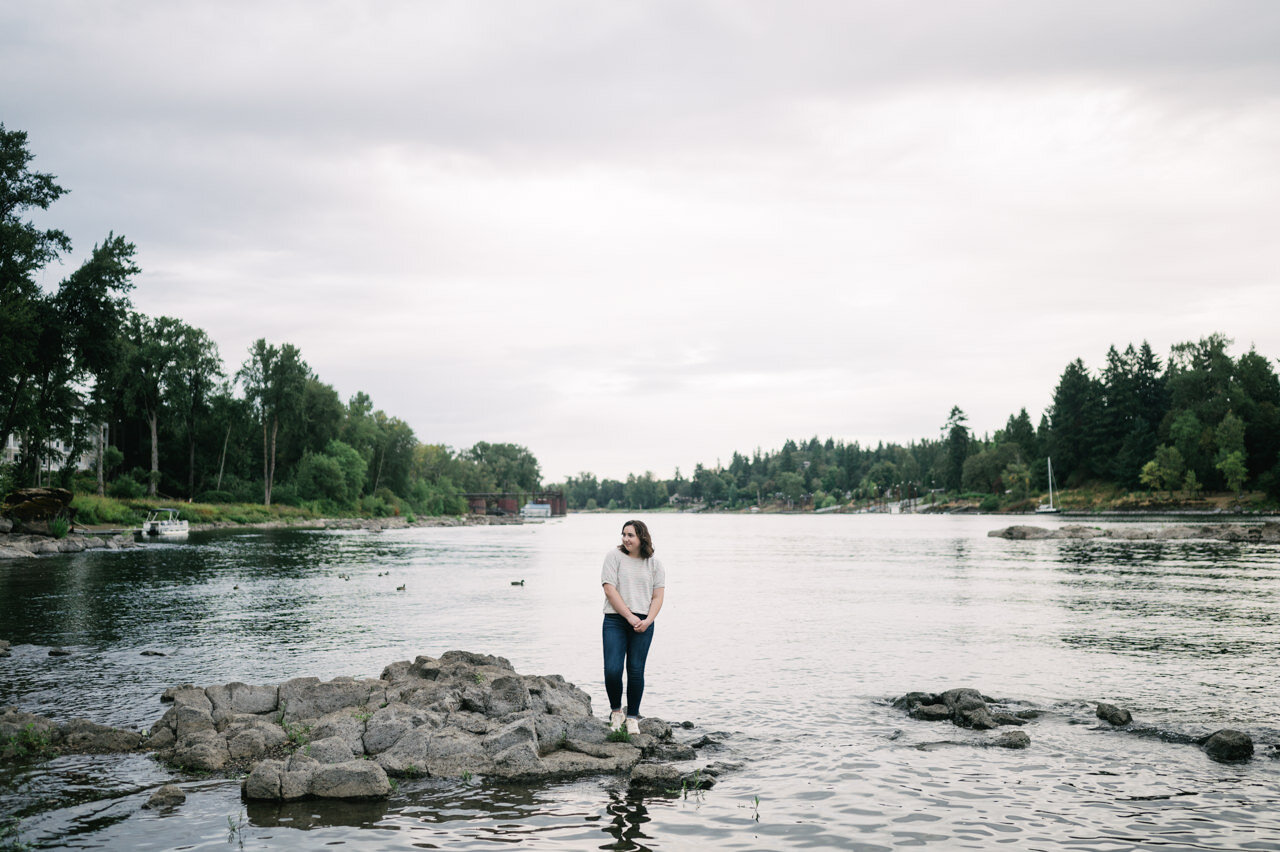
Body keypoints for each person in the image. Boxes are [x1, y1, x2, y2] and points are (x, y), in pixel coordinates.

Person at [600, 519, 666, 736]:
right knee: (613, 669)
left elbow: (658, 596)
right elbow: (609, 590)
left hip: (644, 622)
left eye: (631, 535)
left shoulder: (654, 564)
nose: (626, 539)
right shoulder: (614, 557)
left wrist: (647, 620)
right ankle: (616, 712)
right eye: (624, 534)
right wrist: (628, 616)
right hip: (615, 620)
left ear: (641, 538)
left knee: (636, 670)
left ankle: (632, 718)